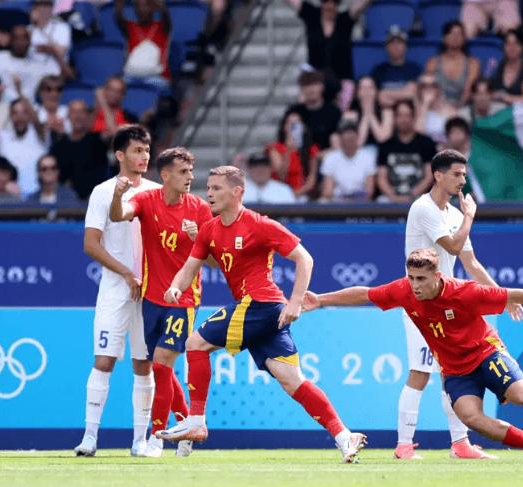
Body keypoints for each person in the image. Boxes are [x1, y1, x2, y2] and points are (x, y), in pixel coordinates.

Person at [302, 247, 523, 464]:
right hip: (454, 368)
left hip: (485, 352)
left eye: (421, 279)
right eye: (411, 277)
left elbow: (515, 294)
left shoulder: (465, 292)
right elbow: (364, 293)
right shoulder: (403, 290)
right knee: (471, 418)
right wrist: (321, 300)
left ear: (437, 276)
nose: (415, 285)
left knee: (522, 394)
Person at [154, 165, 368, 463]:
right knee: (292, 380)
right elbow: (190, 267)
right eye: (209, 187)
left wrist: (295, 302)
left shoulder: (259, 224)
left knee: (194, 344)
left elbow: (304, 258)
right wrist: (175, 287)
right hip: (264, 314)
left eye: (216, 188)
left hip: (260, 304)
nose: (209, 193)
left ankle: (196, 420)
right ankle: (345, 436)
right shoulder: (209, 230)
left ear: (236, 192)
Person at [388, 150, 523, 460]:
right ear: (438, 175)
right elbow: (452, 246)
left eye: (464, 174)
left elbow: (471, 263)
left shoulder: (454, 214)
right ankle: (403, 445)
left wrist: (502, 296)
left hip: (445, 303)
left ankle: (460, 444)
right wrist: (470, 217)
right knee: (420, 373)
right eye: (457, 174)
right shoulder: (423, 208)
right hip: (420, 303)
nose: (463, 180)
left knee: (452, 373)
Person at [108, 147, 213, 457]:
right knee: (160, 368)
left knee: (163, 362)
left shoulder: (199, 209)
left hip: (184, 299)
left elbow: (215, 261)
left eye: (191, 171)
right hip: (151, 298)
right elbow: (118, 215)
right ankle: (186, 428)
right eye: (183, 172)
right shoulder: (146, 200)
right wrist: (117, 195)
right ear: (165, 175)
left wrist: (197, 239)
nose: (190, 177)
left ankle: (156, 439)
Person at [74, 124, 161, 458]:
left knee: (144, 364)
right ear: (120, 155)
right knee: (104, 360)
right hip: (115, 289)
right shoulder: (103, 192)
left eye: (147, 150)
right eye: (137, 151)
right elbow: (90, 244)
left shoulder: (158, 192)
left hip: (150, 293)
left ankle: (140, 440)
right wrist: (126, 273)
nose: (144, 156)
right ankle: (90, 437)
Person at [287, 0, 373, 104]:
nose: (330, 7)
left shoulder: (345, 20)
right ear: (321, 3)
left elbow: (362, 3)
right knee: (302, 101)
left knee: (346, 96)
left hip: (342, 79)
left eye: (334, 4)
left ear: (338, 5)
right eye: (326, 3)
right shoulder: (312, 15)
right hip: (315, 79)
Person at [0, 25, 72, 104]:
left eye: (25, 38)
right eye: (17, 38)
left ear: (30, 41)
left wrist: (54, 52)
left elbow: (68, 75)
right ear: (10, 40)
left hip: (28, 109)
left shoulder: (39, 62)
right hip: (1, 108)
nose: (21, 42)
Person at [0, 94, 49, 198]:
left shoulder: (40, 135)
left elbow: (37, 122)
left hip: (37, 197)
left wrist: (20, 92)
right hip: (8, 197)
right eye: (15, 113)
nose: (20, 117)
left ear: (30, 114)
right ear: (10, 116)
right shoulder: (1, 136)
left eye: (24, 113)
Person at [376, 100, 436, 203]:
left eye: (407, 115)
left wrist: (411, 196)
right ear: (394, 118)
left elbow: (429, 177)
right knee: (381, 201)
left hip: (419, 196)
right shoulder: (385, 146)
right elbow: (382, 179)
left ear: (413, 117)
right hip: (391, 197)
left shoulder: (426, 144)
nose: (404, 119)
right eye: (400, 115)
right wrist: (394, 197)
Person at [51, 99, 111, 200]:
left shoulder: (98, 140)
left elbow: (113, 132)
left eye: (82, 112)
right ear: (68, 117)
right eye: (74, 112)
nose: (78, 116)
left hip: (95, 201)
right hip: (67, 203)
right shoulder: (59, 146)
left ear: (88, 116)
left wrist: (101, 100)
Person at [115, 0, 172, 87]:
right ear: (135, 11)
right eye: (138, 6)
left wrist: (160, 6)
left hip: (157, 76)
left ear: (152, 9)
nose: (142, 9)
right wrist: (119, 5)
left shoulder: (161, 26)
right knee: (117, 85)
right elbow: (118, 17)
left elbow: (165, 15)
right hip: (132, 76)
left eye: (146, 6)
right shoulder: (130, 26)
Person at [424, 22, 481, 106]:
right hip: (437, 107)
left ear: (464, 38)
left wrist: (457, 108)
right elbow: (429, 90)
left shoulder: (473, 63)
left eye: (459, 34)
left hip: (464, 107)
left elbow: (468, 91)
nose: (455, 37)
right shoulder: (433, 62)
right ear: (444, 37)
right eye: (451, 33)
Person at [319, 119, 376, 202]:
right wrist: (344, 200)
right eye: (346, 132)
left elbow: (369, 191)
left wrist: (354, 200)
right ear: (339, 136)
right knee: (323, 201)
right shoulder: (330, 158)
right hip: (337, 202)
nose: (350, 135)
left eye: (352, 132)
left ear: (357, 135)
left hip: (361, 202)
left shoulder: (368, 157)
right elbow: (328, 191)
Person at [267, 110, 319, 198]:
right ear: (284, 127)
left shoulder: (311, 149)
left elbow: (311, 179)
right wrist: (288, 150)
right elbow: (281, 176)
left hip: (301, 195)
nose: (293, 127)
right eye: (290, 124)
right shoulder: (275, 148)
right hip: (279, 194)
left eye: (297, 124)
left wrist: (294, 195)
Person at [287, 71, 341, 152]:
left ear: (322, 86)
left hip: (326, 155)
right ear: (302, 88)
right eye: (307, 85)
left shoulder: (334, 112)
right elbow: (288, 143)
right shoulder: (294, 111)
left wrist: (320, 155)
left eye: (315, 84)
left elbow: (338, 146)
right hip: (301, 154)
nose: (311, 89)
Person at [370, 25, 422, 109]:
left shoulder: (414, 69)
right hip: (386, 111)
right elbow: (380, 98)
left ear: (406, 46)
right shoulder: (378, 70)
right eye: (392, 42)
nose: (396, 46)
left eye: (399, 42)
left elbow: (413, 93)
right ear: (386, 47)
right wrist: (403, 93)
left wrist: (387, 94)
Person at [489, 29, 523, 104]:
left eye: (516, 43)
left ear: (522, 47)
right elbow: (489, 92)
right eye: (508, 43)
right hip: (497, 108)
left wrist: (503, 97)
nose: (511, 47)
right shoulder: (497, 67)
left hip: (520, 110)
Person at [347, 76, 393, 147]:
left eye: (370, 88)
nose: (367, 92)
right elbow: (357, 143)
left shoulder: (386, 111)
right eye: (363, 88)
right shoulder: (350, 114)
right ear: (357, 93)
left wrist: (370, 114)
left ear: (376, 91)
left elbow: (382, 138)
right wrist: (366, 115)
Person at [414, 74, 458, 145]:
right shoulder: (412, 110)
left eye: (433, 85)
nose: (428, 88)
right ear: (418, 89)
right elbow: (417, 134)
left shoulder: (451, 112)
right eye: (423, 85)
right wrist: (425, 104)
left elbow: (455, 138)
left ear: (439, 89)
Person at [29, 0, 72, 71]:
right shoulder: (29, 29)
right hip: (32, 70)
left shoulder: (61, 27)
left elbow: (61, 51)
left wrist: (45, 48)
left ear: (50, 8)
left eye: (45, 5)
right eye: (36, 5)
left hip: (55, 70)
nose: (40, 8)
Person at [35, 75, 69, 141]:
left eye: (59, 89)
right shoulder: (33, 112)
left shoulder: (70, 112)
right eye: (48, 89)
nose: (54, 94)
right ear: (40, 93)